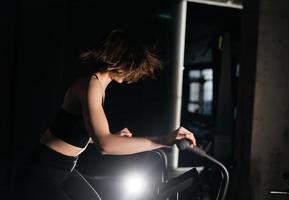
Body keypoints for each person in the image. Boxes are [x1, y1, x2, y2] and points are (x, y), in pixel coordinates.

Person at [13, 30, 197, 200]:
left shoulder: (96, 87)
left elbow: (73, 133)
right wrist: (164, 140)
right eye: (131, 65)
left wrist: (106, 137)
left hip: (62, 167)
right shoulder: (90, 85)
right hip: (44, 171)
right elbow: (105, 145)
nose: (132, 73)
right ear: (119, 60)